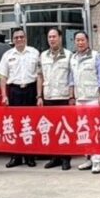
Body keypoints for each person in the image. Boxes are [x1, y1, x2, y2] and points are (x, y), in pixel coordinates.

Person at [0, 28, 41, 168]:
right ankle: (15, 156)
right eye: (16, 37)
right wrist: (4, 95)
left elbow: (40, 75)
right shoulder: (7, 55)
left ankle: (30, 156)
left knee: (30, 124)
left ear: (26, 38)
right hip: (15, 91)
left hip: (30, 90)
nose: (19, 39)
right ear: (12, 39)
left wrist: (39, 95)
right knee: (15, 125)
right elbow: (3, 78)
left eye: (21, 37)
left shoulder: (34, 53)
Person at [69, 31, 100, 173]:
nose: (80, 43)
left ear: (88, 41)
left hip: (93, 99)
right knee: (83, 130)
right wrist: (71, 95)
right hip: (80, 99)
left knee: (95, 130)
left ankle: (97, 160)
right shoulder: (73, 58)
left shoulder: (96, 56)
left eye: (82, 40)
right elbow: (71, 78)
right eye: (77, 40)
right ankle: (88, 158)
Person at [37, 28, 73, 170]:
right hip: (48, 96)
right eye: (49, 37)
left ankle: (66, 158)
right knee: (51, 129)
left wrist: (71, 96)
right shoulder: (43, 56)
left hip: (64, 97)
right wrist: (39, 96)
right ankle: (55, 157)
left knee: (64, 129)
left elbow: (72, 78)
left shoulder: (69, 55)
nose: (52, 39)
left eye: (54, 36)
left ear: (60, 38)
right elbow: (39, 76)